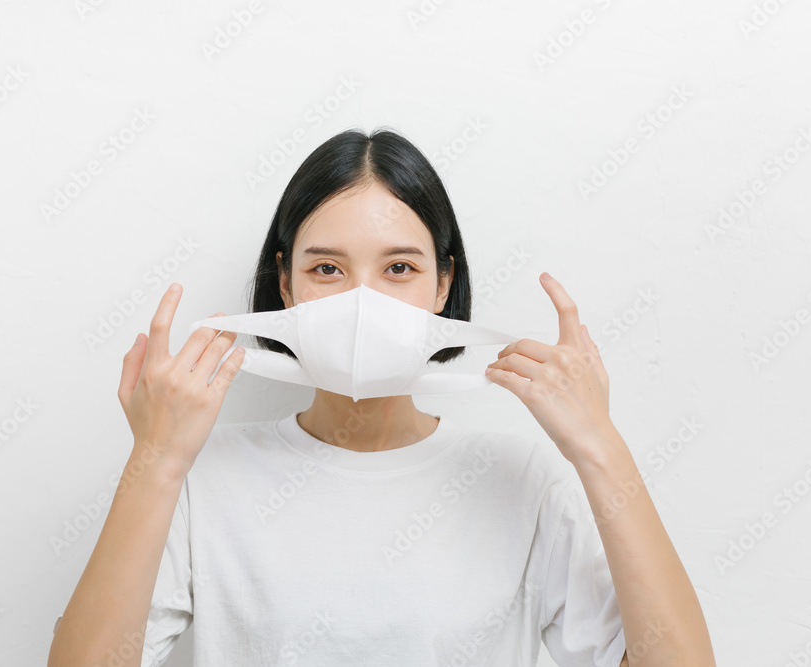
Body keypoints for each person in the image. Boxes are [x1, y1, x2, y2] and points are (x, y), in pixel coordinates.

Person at [48, 129, 715, 666]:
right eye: (326, 268)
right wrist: (157, 458)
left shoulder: (525, 483)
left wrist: (600, 448)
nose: (362, 300)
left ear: (443, 284)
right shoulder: (204, 478)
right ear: (286, 284)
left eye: (398, 268)